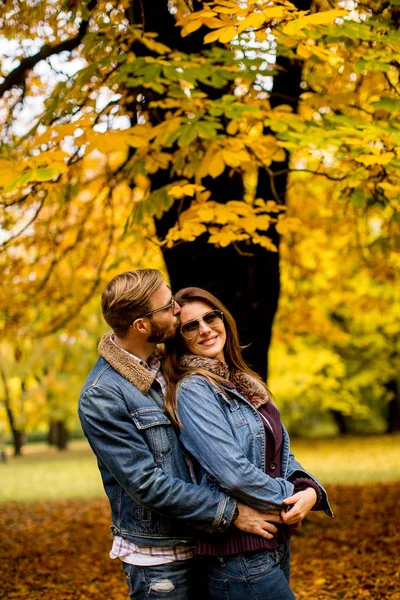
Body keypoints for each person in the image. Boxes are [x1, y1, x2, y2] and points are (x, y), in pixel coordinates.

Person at [78, 270, 283, 600]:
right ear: (142, 325)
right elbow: (146, 483)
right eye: (168, 305)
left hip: (207, 544)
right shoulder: (103, 395)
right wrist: (232, 513)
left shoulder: (170, 364)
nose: (177, 309)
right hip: (162, 559)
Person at [163, 287, 334, 600]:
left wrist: (311, 491)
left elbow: (283, 454)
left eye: (210, 317)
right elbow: (234, 473)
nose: (204, 329)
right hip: (237, 556)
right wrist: (291, 497)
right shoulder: (193, 391)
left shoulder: (244, 382)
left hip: (274, 544)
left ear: (223, 319)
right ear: (180, 338)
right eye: (190, 325)